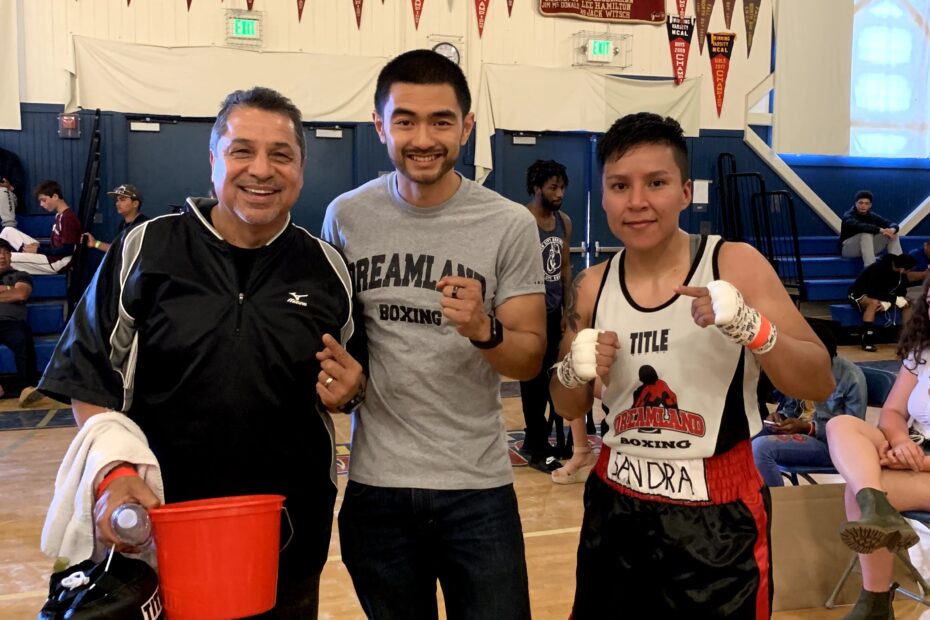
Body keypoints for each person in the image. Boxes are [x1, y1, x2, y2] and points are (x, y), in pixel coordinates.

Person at [37, 86, 367, 618]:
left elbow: (354, 380)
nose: (261, 169)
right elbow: (88, 378)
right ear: (213, 159)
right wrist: (116, 475)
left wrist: (352, 392)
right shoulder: (146, 248)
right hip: (162, 529)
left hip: (288, 530)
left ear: (300, 169)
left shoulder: (326, 267)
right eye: (242, 151)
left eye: (280, 154)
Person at [549, 112, 834, 618]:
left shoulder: (734, 263)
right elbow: (564, 402)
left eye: (655, 183)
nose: (636, 201)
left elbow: (818, 378)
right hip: (616, 503)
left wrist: (754, 328)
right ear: (603, 195)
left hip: (718, 512)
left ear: (684, 192)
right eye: (620, 185)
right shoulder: (592, 284)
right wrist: (574, 369)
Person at [322, 49, 545, 619]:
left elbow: (527, 360)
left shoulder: (507, 223)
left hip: (477, 487)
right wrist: (340, 384)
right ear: (380, 126)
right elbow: (338, 346)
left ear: (467, 127)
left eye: (441, 121)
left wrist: (483, 329)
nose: (424, 138)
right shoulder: (345, 216)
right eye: (405, 120)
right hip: (376, 486)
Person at [826, 277, 930, 619]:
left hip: (924, 464)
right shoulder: (923, 351)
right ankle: (877, 506)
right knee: (840, 424)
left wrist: (916, 462)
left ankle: (875, 602)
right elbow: (892, 412)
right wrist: (899, 443)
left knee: (859, 493)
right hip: (915, 450)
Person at [517, 159, 579, 476]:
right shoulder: (522, 220)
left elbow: (565, 267)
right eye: (553, 187)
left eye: (562, 187)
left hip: (554, 309)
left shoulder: (563, 221)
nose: (560, 193)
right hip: (529, 312)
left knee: (554, 376)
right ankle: (537, 445)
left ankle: (540, 440)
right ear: (537, 187)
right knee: (532, 381)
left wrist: (569, 310)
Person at [752, 325, 866, 487]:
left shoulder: (852, 377)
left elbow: (854, 432)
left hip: (830, 445)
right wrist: (780, 417)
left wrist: (808, 428)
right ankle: (749, 501)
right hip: (801, 434)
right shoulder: (801, 367)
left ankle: (777, 505)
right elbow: (792, 407)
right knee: (746, 436)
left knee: (761, 448)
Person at [0, 180, 81, 275]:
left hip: (57, 262)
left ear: (55, 196)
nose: (41, 204)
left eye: (44, 200)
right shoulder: (60, 215)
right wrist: (39, 247)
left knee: (4, 258)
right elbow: (57, 245)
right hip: (50, 255)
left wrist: (38, 250)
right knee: (7, 231)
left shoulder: (68, 218)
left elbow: (68, 250)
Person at [0, 238, 41, 406]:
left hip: (11, 323)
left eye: (6, 253)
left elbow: (21, 294)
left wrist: (10, 290)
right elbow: (13, 293)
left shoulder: (20, 276)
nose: (2, 257)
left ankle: (26, 388)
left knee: (23, 337)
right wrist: (8, 291)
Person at [848, 253, 916, 352]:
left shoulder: (901, 275)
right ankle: (866, 339)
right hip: (859, 293)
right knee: (874, 303)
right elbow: (873, 291)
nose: (910, 272)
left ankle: (906, 338)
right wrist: (893, 300)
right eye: (909, 269)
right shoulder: (877, 268)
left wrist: (888, 303)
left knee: (907, 303)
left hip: (882, 296)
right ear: (902, 269)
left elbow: (901, 292)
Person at [840, 189, 903, 267]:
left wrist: (893, 229)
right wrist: (881, 230)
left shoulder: (872, 216)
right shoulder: (848, 215)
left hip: (867, 249)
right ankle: (871, 269)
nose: (863, 206)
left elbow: (890, 223)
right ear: (856, 203)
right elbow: (860, 226)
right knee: (866, 234)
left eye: (866, 203)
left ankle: (898, 266)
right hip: (848, 250)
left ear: (870, 205)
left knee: (893, 234)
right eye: (860, 203)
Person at [85, 184, 148, 253]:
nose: (117, 203)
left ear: (135, 204)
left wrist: (96, 243)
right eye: (117, 200)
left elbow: (126, 252)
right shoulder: (123, 224)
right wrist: (95, 243)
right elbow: (118, 249)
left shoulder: (144, 225)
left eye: (122, 199)